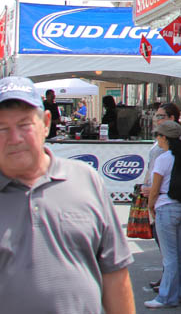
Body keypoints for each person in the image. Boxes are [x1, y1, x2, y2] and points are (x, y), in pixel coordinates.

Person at [0, 76, 135, 314]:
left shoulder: (86, 180)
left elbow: (114, 273)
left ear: (46, 123)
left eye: (24, 125)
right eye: (2, 128)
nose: (15, 138)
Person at [145, 120, 181, 309]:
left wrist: (150, 207)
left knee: (169, 256)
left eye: (159, 136)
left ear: (165, 138)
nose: (157, 139)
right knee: (180, 254)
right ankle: (180, 292)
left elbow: (154, 189)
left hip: (165, 207)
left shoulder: (163, 158)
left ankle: (166, 296)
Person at [142, 102, 181, 292]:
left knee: (170, 252)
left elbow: (160, 177)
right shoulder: (175, 148)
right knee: (174, 252)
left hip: (163, 201)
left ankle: (168, 290)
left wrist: (151, 200)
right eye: (156, 116)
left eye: (160, 116)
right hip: (168, 201)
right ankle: (173, 286)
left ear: (171, 119)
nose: (156, 120)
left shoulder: (166, 150)